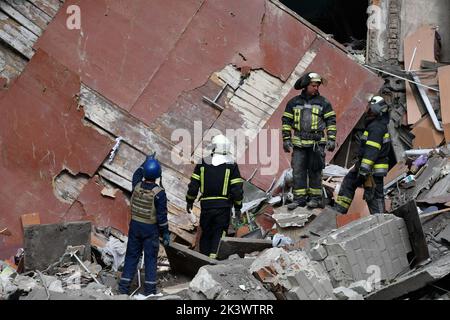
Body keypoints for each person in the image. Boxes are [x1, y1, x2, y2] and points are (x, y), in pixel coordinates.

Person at [282, 72, 337, 210]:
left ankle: (315, 199)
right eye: (314, 85)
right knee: (298, 171)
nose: (316, 88)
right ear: (306, 86)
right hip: (299, 144)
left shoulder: (323, 103)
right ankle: (299, 199)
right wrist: (286, 139)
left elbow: (331, 121)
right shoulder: (293, 103)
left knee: (315, 171)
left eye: (318, 85)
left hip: (316, 145)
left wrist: (331, 139)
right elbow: (286, 121)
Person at [118, 155, 170, 296]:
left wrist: (145, 162)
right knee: (150, 259)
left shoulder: (136, 186)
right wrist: (165, 233)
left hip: (135, 227)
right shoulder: (159, 193)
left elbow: (136, 174)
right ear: (158, 175)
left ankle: (123, 289)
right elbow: (162, 217)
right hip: (150, 229)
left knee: (131, 257)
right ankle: (150, 292)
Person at [186, 134, 244, 258]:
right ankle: (213, 262)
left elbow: (193, 186)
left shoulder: (202, 163)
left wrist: (189, 201)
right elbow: (237, 190)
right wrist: (238, 207)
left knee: (206, 233)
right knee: (219, 234)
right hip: (223, 208)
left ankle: (203, 260)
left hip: (206, 207)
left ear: (213, 147)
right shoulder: (231, 164)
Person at [335, 96, 391, 215]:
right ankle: (337, 213)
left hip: (371, 170)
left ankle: (381, 221)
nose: (367, 110)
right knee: (349, 182)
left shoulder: (376, 127)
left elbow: (372, 150)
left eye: (370, 108)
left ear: (375, 109)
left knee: (374, 195)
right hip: (365, 167)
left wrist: (364, 169)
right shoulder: (375, 125)